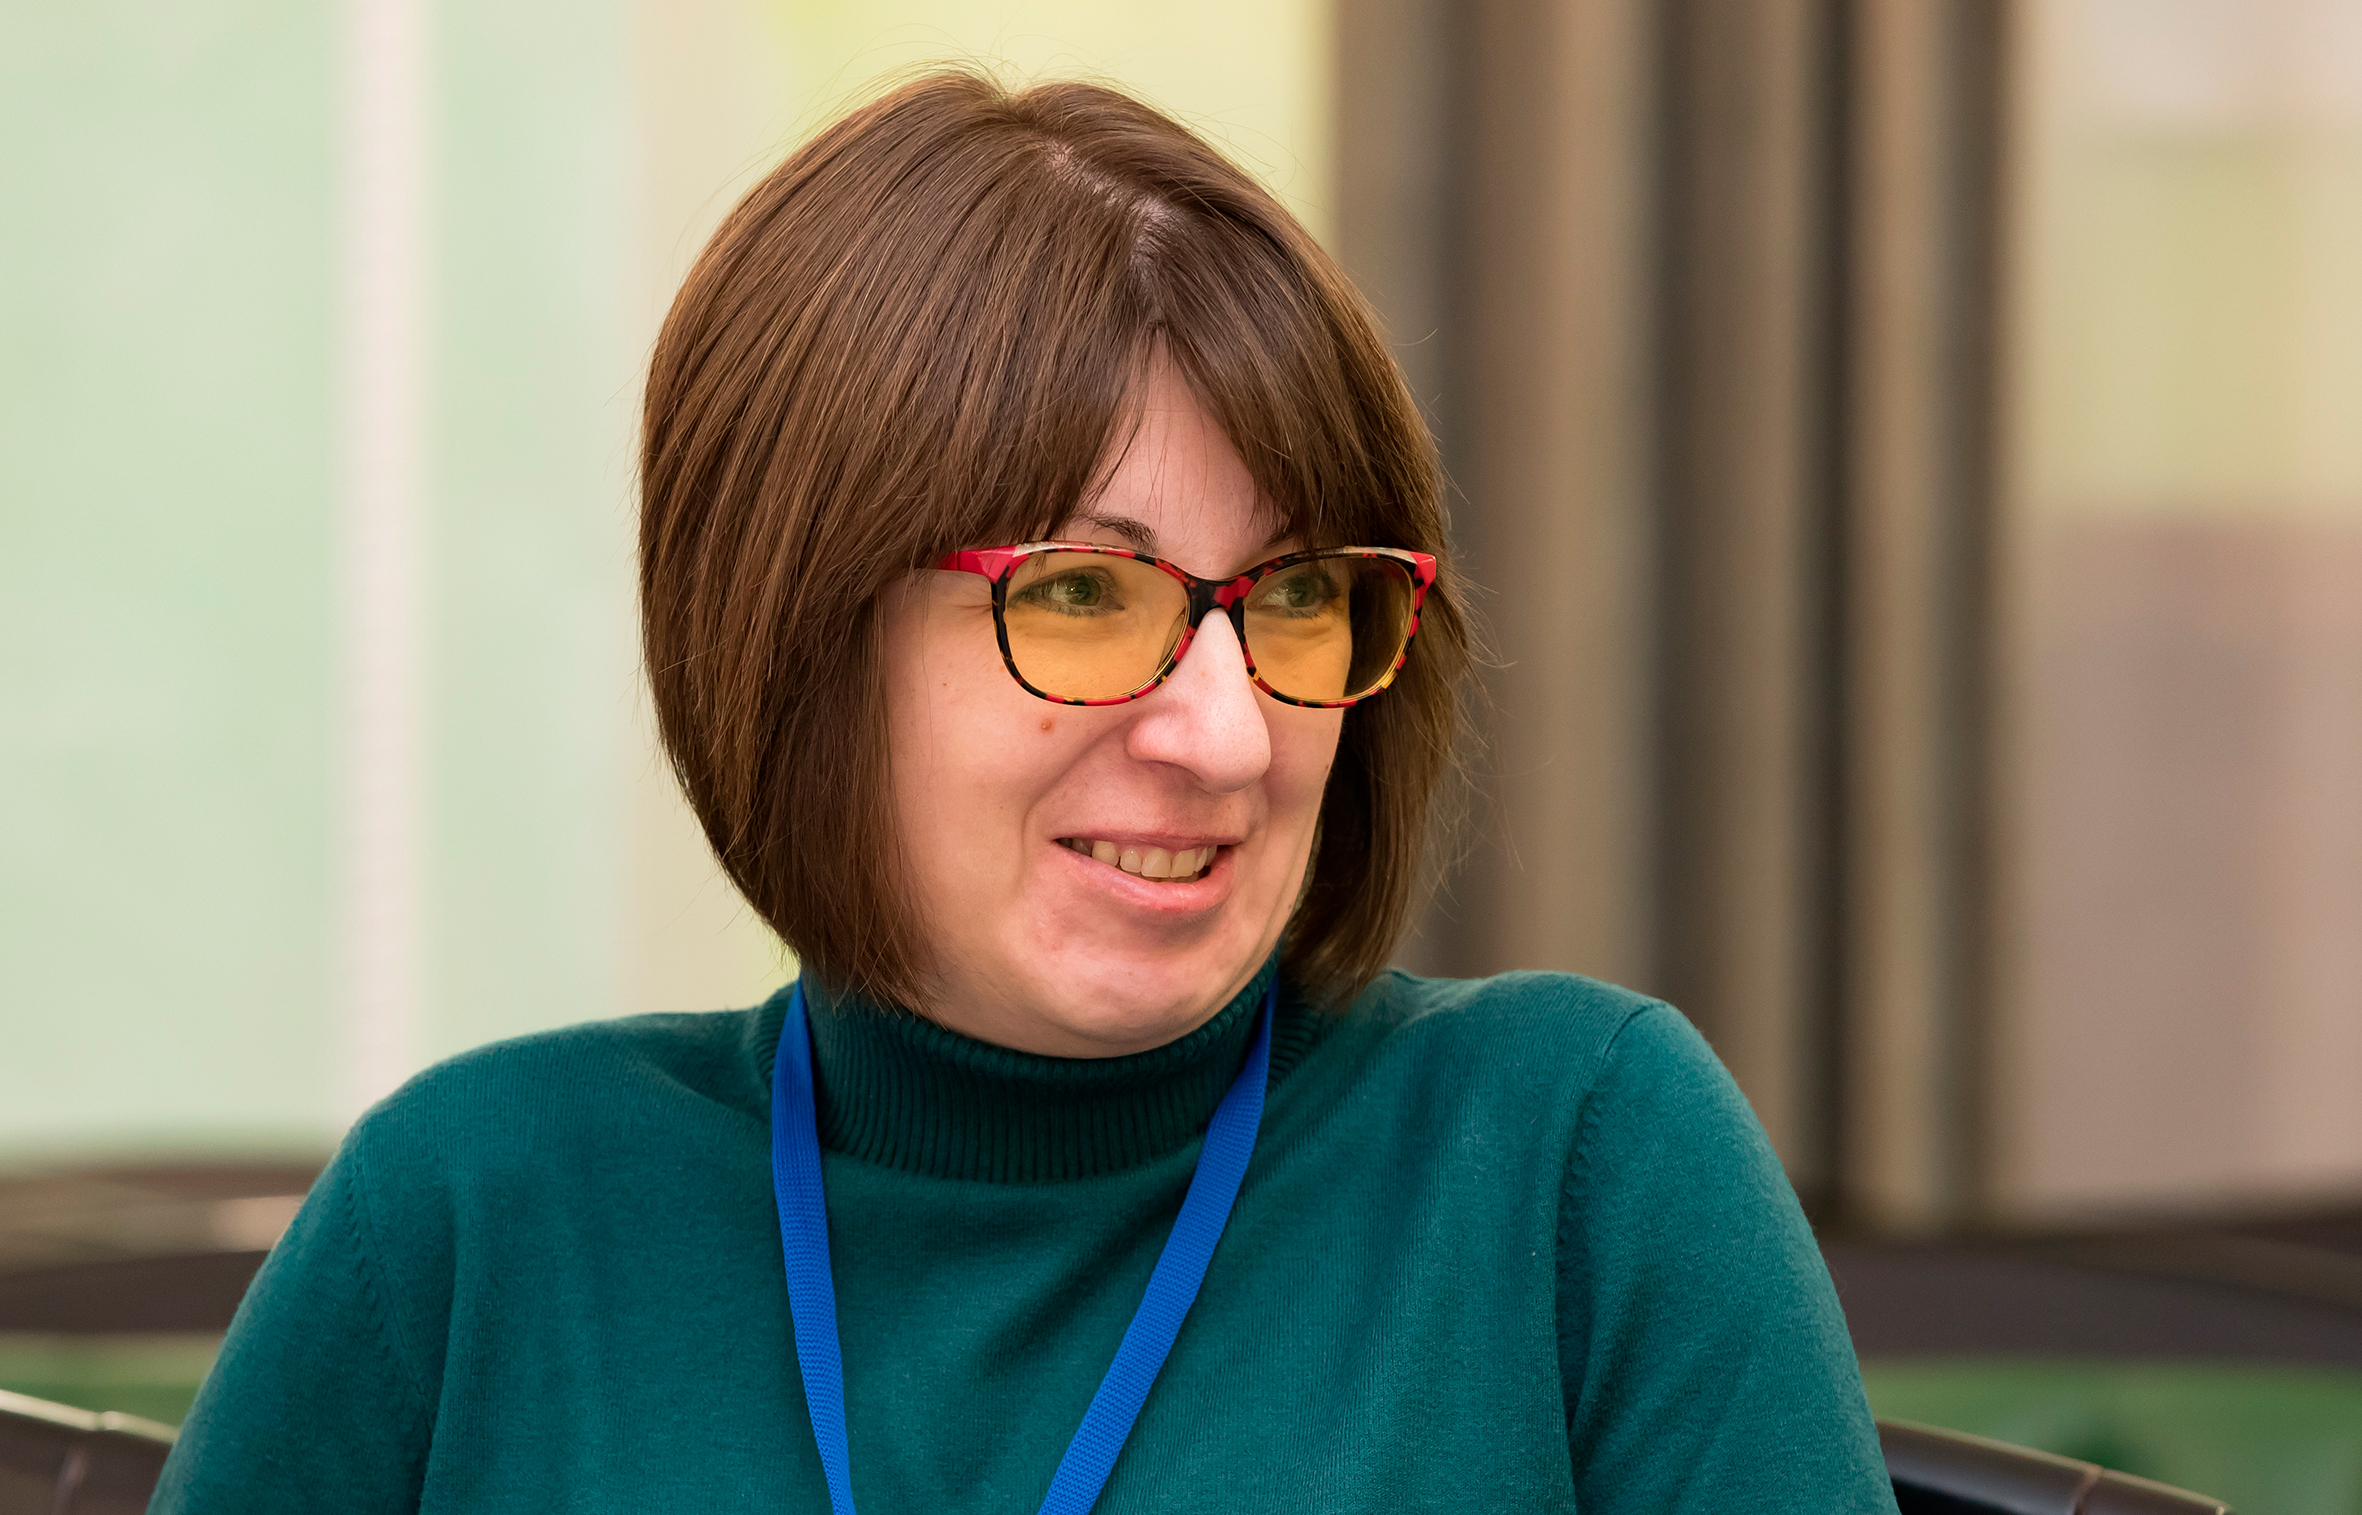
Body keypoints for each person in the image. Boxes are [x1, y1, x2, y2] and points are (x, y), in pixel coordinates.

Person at [153, 71, 1899, 1513]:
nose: (1226, 734)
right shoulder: (470, 1221)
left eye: (1295, 594)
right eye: (1077, 593)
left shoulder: (1573, 1163)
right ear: (798, 627)